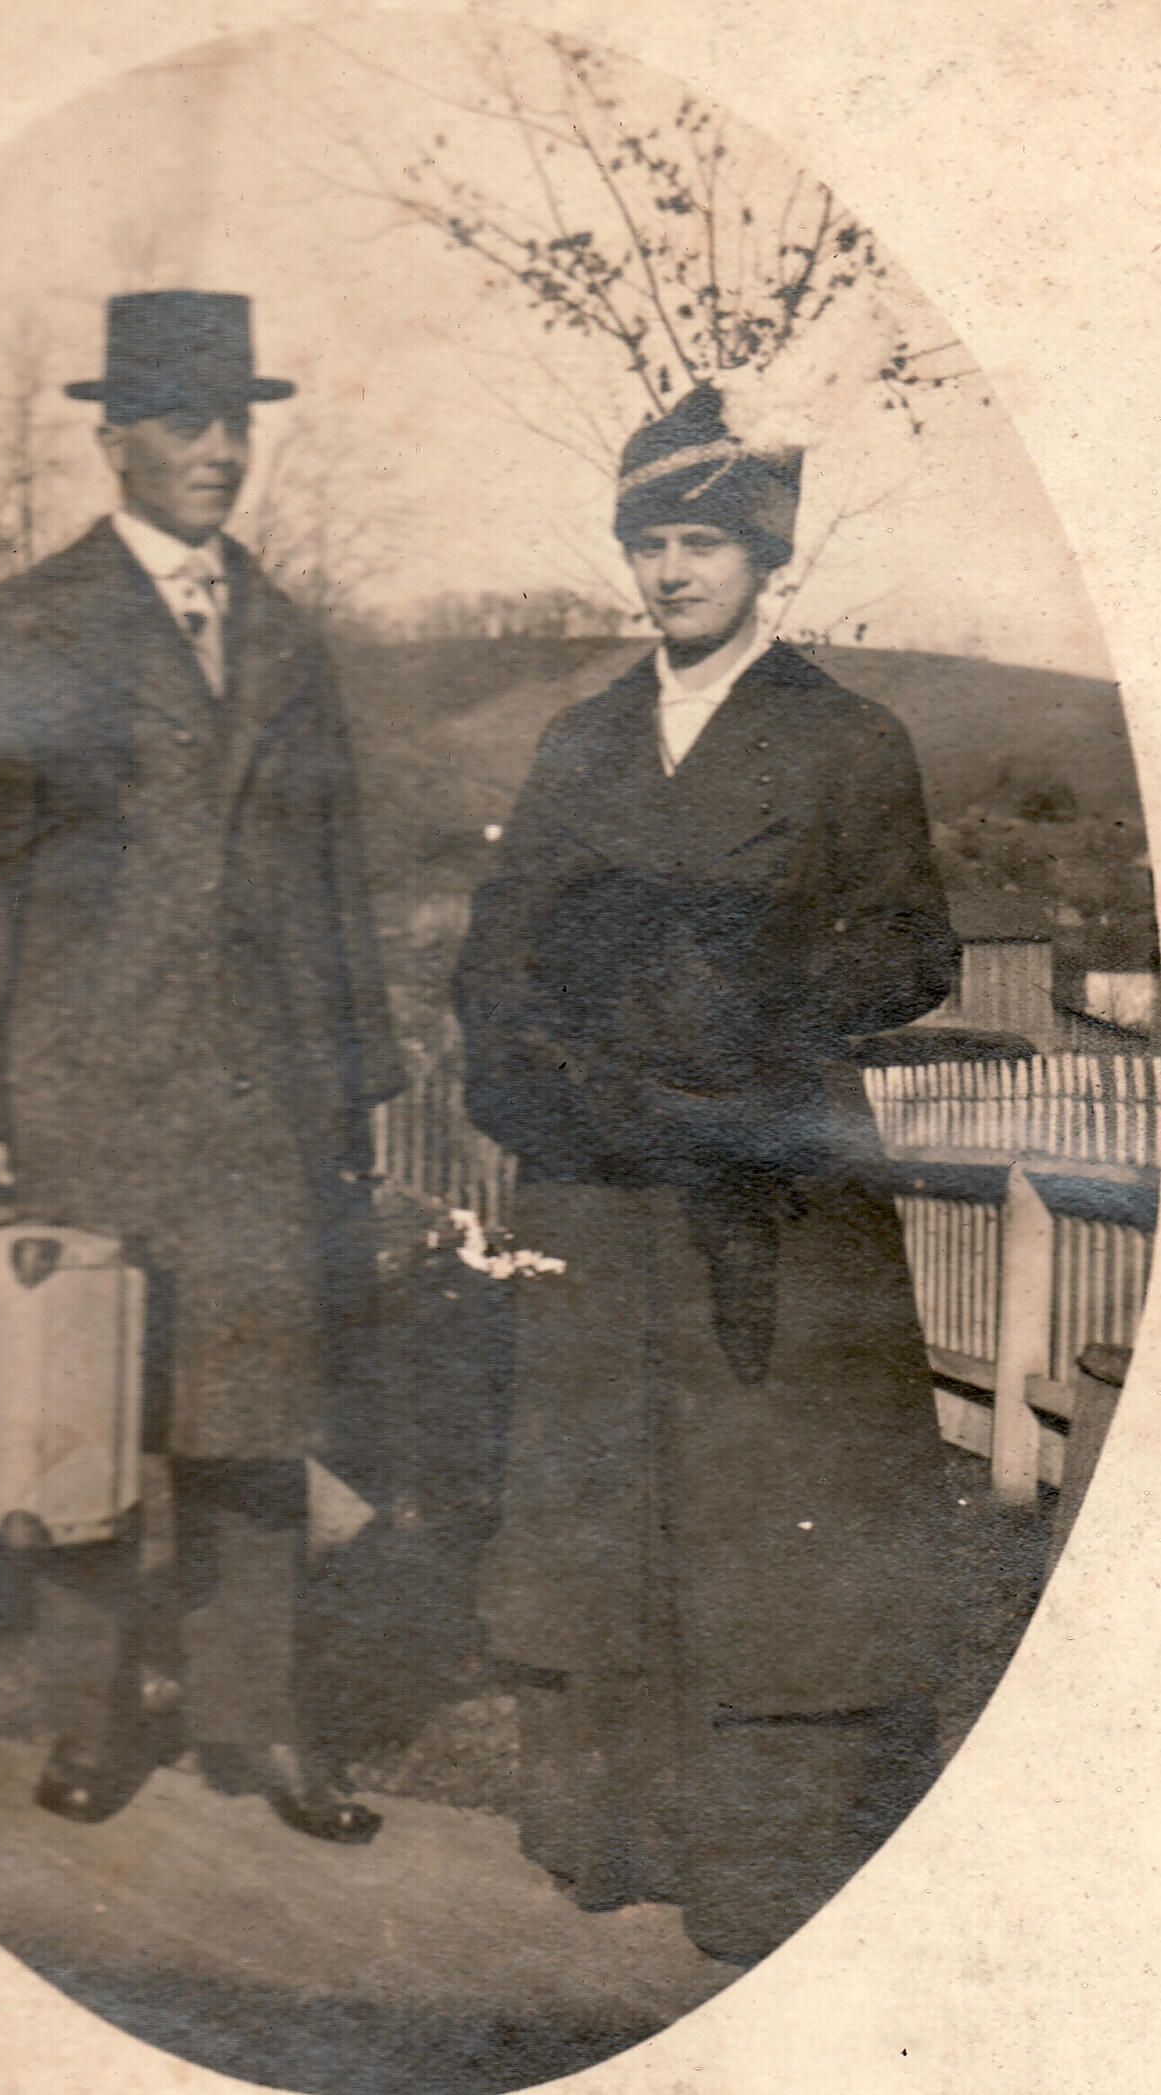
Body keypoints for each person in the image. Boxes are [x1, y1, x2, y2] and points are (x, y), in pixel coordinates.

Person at [452, 382, 961, 1964]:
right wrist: (549, 1070)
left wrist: (751, 1002)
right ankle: (611, 1834)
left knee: (766, 1518)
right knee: (602, 1503)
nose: (670, 571)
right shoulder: (580, 740)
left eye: (703, 543)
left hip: (768, 1185)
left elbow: (912, 948)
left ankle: (762, 1859)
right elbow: (497, 953)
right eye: (648, 543)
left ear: (765, 560)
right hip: (602, 1181)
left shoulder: (846, 740)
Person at [0, 291, 401, 1843]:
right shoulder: (26, 626)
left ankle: (260, 1730)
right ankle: (88, 1720)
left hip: (260, 1102)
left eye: (236, 422)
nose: (220, 451)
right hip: (86, 1090)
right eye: (187, 422)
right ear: (114, 438)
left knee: (256, 1431)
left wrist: (356, 1085)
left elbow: (332, 877)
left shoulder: (287, 634)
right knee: (87, 1423)